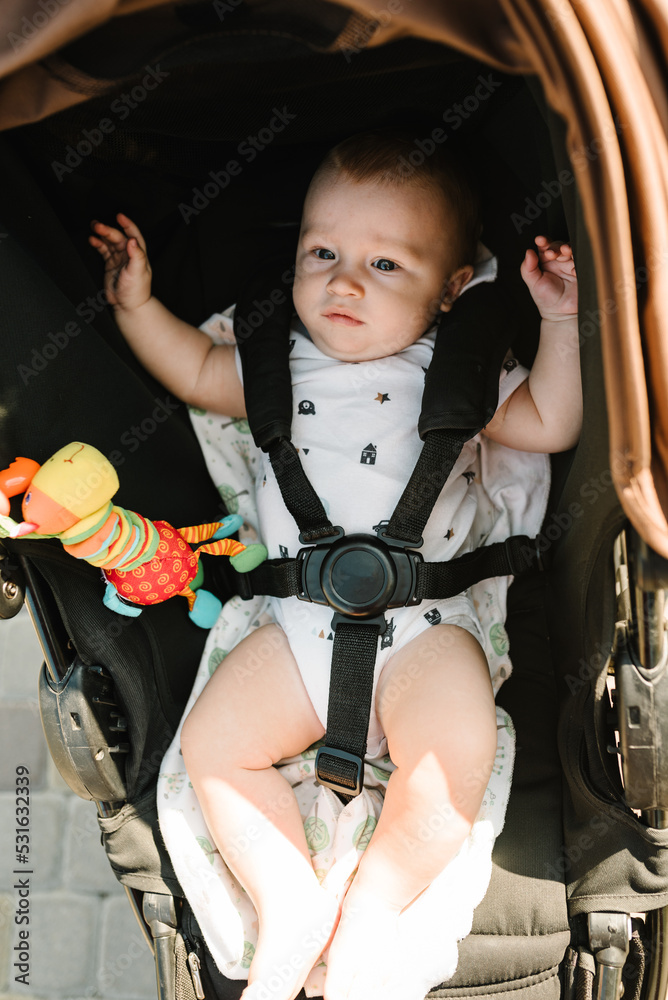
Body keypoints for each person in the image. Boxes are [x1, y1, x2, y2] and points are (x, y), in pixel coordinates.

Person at [89, 132, 581, 1000]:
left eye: (385, 265)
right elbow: (196, 372)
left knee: (454, 756)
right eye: (323, 254)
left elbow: (549, 423)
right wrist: (137, 307)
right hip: (296, 623)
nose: (345, 282)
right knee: (214, 746)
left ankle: (374, 907)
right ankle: (288, 901)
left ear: (450, 290)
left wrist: (562, 323)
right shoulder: (273, 364)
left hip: (427, 626)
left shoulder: (459, 374)